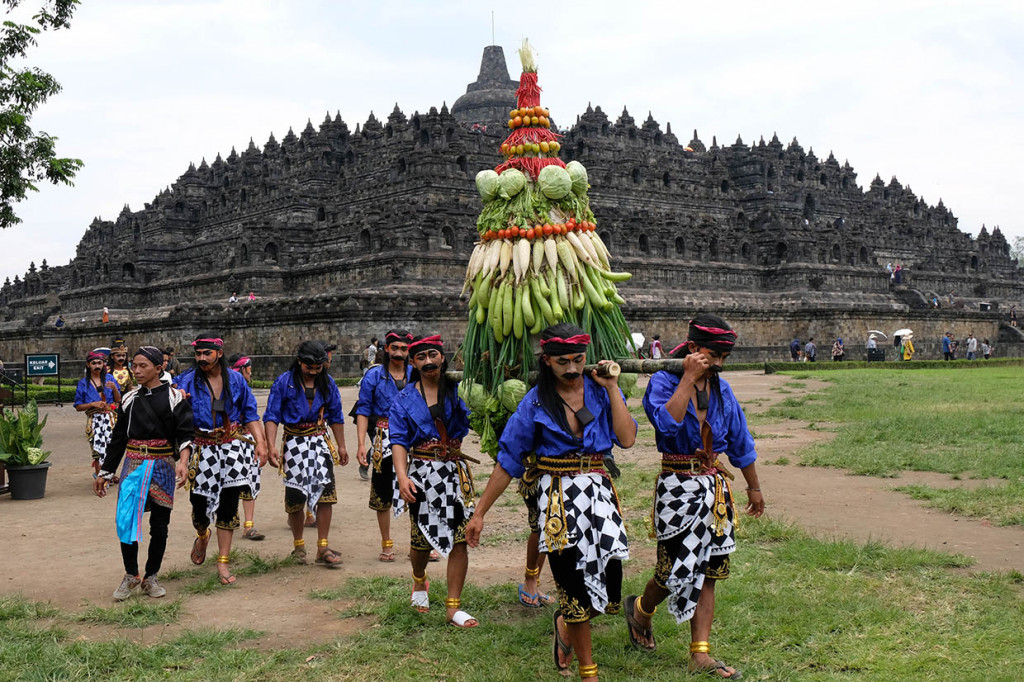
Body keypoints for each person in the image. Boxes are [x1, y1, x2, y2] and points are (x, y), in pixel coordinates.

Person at [467, 324, 637, 679]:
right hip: (558, 500)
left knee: (608, 584)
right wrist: (479, 513)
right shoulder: (533, 403)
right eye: (563, 362)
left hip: (600, 497)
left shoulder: (601, 392)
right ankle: (588, 670)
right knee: (571, 583)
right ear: (547, 361)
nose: (572, 369)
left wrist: (613, 388)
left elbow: (627, 438)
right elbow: (507, 461)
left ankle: (565, 625)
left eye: (578, 360)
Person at [626, 314, 764, 680]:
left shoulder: (723, 390)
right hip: (676, 486)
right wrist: (687, 379)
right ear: (691, 349)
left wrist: (754, 486)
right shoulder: (662, 381)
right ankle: (640, 609)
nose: (718, 365)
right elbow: (666, 425)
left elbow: (740, 442)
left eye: (723, 358)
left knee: (710, 571)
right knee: (670, 571)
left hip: (714, 490)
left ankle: (699, 653)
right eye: (712, 356)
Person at [390, 334, 478, 628]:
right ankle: (418, 580)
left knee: (460, 539)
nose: (428, 362)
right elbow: (399, 441)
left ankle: (453, 607)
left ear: (443, 357)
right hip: (422, 474)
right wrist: (402, 476)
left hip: (455, 473)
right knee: (420, 541)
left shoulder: (459, 389)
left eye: (433, 355)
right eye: (421, 357)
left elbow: (475, 417)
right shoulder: (403, 399)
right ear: (413, 362)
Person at [92, 346, 194, 601]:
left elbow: (184, 435)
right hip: (133, 464)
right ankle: (130, 575)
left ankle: (151, 576)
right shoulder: (128, 399)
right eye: (134, 366)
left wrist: (183, 461)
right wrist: (105, 472)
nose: (136, 371)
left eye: (142, 366)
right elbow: (117, 440)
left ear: (158, 368)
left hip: (163, 467)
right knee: (126, 520)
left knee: (159, 526)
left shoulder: (175, 399)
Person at [177, 334, 268, 586]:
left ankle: (223, 561)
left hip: (232, 448)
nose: (202, 358)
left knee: (229, 506)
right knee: (199, 506)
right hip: (201, 449)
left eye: (207, 353)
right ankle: (202, 534)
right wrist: (176, 397)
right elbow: (168, 401)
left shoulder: (237, 380)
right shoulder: (185, 380)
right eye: (198, 354)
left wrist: (261, 443)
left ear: (219, 353)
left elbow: (250, 413)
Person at [264, 341, 350, 568]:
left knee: (326, 495)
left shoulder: (328, 383)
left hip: (320, 444)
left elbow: (337, 416)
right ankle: (298, 545)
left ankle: (323, 547)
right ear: (299, 361)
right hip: (293, 445)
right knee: (295, 498)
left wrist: (341, 446)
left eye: (317, 367)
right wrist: (271, 446)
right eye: (309, 367)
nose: (313, 371)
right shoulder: (284, 382)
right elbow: (272, 415)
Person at [354, 329, 414, 561]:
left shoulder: (414, 373)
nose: (399, 353)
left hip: (412, 435)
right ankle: (386, 543)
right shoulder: (374, 376)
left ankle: (418, 544)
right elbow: (363, 410)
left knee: (416, 487)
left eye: (403, 349)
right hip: (383, 435)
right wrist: (361, 444)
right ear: (386, 349)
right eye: (395, 348)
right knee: (382, 491)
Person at [227, 353, 264, 541]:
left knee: (250, 478)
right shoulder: (227, 385)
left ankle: (248, 525)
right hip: (229, 441)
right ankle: (228, 521)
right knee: (230, 482)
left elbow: (253, 416)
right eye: (248, 369)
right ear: (241, 370)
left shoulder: (244, 388)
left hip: (247, 440)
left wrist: (261, 441)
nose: (251, 373)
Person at [74, 349, 122, 478]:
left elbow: (118, 400)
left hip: (110, 418)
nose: (97, 366)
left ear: (104, 365)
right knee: (97, 448)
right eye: (94, 363)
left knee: (112, 447)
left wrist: (114, 389)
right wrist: (92, 404)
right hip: (94, 419)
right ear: (88, 365)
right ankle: (99, 475)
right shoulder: (83, 383)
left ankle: (110, 473)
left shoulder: (110, 379)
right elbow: (78, 406)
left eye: (99, 363)